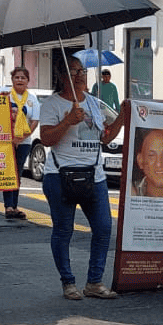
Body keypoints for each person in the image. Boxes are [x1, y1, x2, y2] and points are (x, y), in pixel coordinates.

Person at [40, 47, 120, 300]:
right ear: (61, 75)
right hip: (60, 175)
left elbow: (106, 138)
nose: (79, 76)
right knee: (63, 231)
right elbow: (46, 138)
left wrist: (124, 116)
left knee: (104, 228)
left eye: (82, 71)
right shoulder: (52, 104)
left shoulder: (95, 104)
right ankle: (68, 282)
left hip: (94, 176)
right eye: (73, 71)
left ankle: (94, 282)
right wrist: (67, 122)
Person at [2, 65, 39, 220]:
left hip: (24, 141)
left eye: (23, 78)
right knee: (7, 173)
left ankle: (14, 206)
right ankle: (8, 206)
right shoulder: (3, 93)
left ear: (28, 81)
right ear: (12, 80)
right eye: (16, 77)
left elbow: (34, 121)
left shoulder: (32, 99)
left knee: (17, 173)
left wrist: (20, 138)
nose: (19, 80)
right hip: (4, 140)